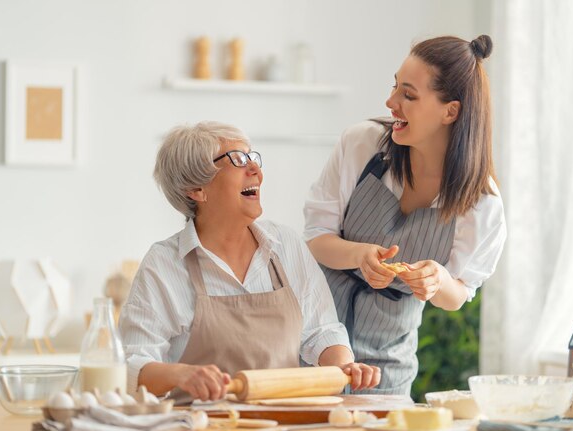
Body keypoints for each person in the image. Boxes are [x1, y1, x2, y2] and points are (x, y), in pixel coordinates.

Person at [303, 35, 507, 395]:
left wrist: (436, 280)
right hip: (312, 347)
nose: (390, 102)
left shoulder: (481, 202)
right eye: (395, 86)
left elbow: (458, 292)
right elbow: (316, 238)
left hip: (388, 368)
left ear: (451, 111)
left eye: (408, 95)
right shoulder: (362, 145)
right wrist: (358, 255)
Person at [119, 121, 380, 402]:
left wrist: (343, 366)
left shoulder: (285, 244)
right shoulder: (164, 264)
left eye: (252, 157)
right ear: (196, 189)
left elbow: (321, 331)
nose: (255, 169)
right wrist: (181, 374)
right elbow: (132, 366)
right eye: (237, 160)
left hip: (285, 422)